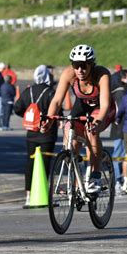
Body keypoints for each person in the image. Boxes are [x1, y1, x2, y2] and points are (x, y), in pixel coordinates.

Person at [41, 44, 115, 194]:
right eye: (76, 65)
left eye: (83, 66)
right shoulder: (69, 74)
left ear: (92, 65)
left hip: (102, 109)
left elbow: (106, 104)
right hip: (81, 107)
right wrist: (49, 118)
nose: (80, 70)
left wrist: (98, 122)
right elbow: (56, 101)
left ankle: (95, 175)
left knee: (91, 131)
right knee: (70, 139)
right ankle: (77, 181)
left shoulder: (101, 75)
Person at [14, 64, 58, 205]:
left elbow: (17, 108)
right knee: (44, 164)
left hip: (31, 133)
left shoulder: (28, 91)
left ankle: (28, 195)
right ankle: (44, 194)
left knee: (30, 163)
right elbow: (57, 111)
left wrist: (29, 116)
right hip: (47, 134)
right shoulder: (50, 92)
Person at [109, 69, 127, 193]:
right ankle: (116, 179)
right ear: (123, 79)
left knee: (122, 153)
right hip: (120, 127)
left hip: (121, 126)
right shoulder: (121, 92)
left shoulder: (122, 91)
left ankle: (120, 179)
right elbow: (120, 110)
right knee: (118, 153)